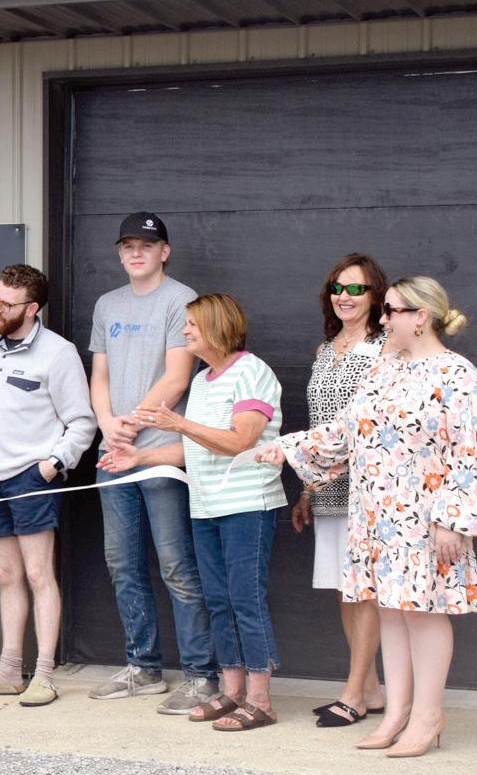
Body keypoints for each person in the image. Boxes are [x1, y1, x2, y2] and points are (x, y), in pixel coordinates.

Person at [263, 276, 477, 757]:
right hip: (376, 514)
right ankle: (396, 714)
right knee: (390, 611)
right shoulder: (383, 369)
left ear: (420, 317)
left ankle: (427, 716)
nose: (382, 320)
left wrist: (453, 519)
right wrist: (287, 448)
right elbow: (347, 432)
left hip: (426, 517)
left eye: (390, 311)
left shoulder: (458, 374)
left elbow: (469, 452)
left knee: (425, 614)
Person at [103, 293, 287, 732]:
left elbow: (240, 440)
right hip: (206, 506)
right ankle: (232, 692)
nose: (185, 331)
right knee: (219, 600)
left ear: (217, 326)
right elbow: (195, 447)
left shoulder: (252, 372)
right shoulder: (203, 380)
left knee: (245, 600)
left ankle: (261, 701)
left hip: (247, 506)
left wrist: (179, 423)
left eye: (192, 324)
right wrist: (140, 458)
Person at [86, 211, 217, 714]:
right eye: (127, 246)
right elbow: (99, 375)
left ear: (165, 251)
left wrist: (131, 425)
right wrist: (107, 424)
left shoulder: (180, 300)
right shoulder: (107, 304)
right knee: (121, 562)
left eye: (146, 244)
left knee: (176, 565)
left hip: (160, 452)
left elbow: (177, 377)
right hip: (113, 453)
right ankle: (143, 668)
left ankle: (201, 675)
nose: (135, 252)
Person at [0, 265, 95, 707]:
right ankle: (8, 672)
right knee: (6, 575)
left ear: (32, 308)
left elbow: (82, 422)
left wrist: (53, 465)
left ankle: (45, 676)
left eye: (7, 303)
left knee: (38, 574)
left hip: (32, 479)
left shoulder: (59, 353)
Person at [293, 253, 388, 727]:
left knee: (362, 590)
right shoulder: (325, 348)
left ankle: (353, 693)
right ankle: (369, 689)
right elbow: (319, 423)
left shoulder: (386, 347)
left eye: (356, 288)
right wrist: (307, 489)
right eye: (337, 287)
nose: (344, 296)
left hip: (367, 487)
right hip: (327, 486)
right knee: (342, 588)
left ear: (375, 296)